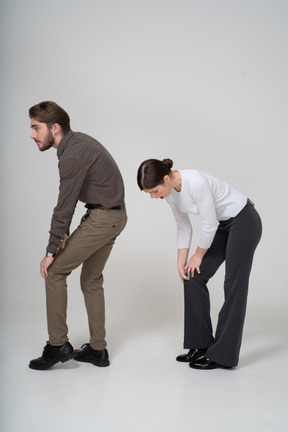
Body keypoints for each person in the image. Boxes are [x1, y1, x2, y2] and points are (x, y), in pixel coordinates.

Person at [29, 101, 127, 370]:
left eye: (36, 128)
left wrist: (50, 252)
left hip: (102, 218)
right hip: (115, 216)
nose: (32, 135)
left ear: (55, 127)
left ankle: (57, 344)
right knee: (92, 279)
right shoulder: (78, 142)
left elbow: (65, 204)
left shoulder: (72, 154)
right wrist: (63, 234)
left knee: (55, 272)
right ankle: (98, 350)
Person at [137, 158, 262, 370]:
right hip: (224, 226)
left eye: (154, 191)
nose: (153, 196)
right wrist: (181, 261)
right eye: (149, 193)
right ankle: (200, 345)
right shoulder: (170, 194)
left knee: (233, 286)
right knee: (192, 276)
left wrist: (197, 255)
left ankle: (223, 355)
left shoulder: (195, 182)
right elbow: (183, 227)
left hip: (244, 221)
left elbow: (209, 224)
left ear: (166, 179)